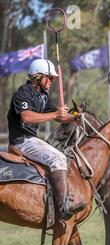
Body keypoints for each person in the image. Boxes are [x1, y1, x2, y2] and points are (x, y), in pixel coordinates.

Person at [7, 58, 86, 224]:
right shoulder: (24, 93)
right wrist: (56, 114)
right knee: (58, 158)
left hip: (32, 140)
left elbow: (60, 117)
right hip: (22, 141)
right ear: (37, 77)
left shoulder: (43, 95)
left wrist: (75, 117)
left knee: (63, 154)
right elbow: (27, 117)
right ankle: (63, 206)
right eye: (49, 78)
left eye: (52, 78)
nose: (52, 81)